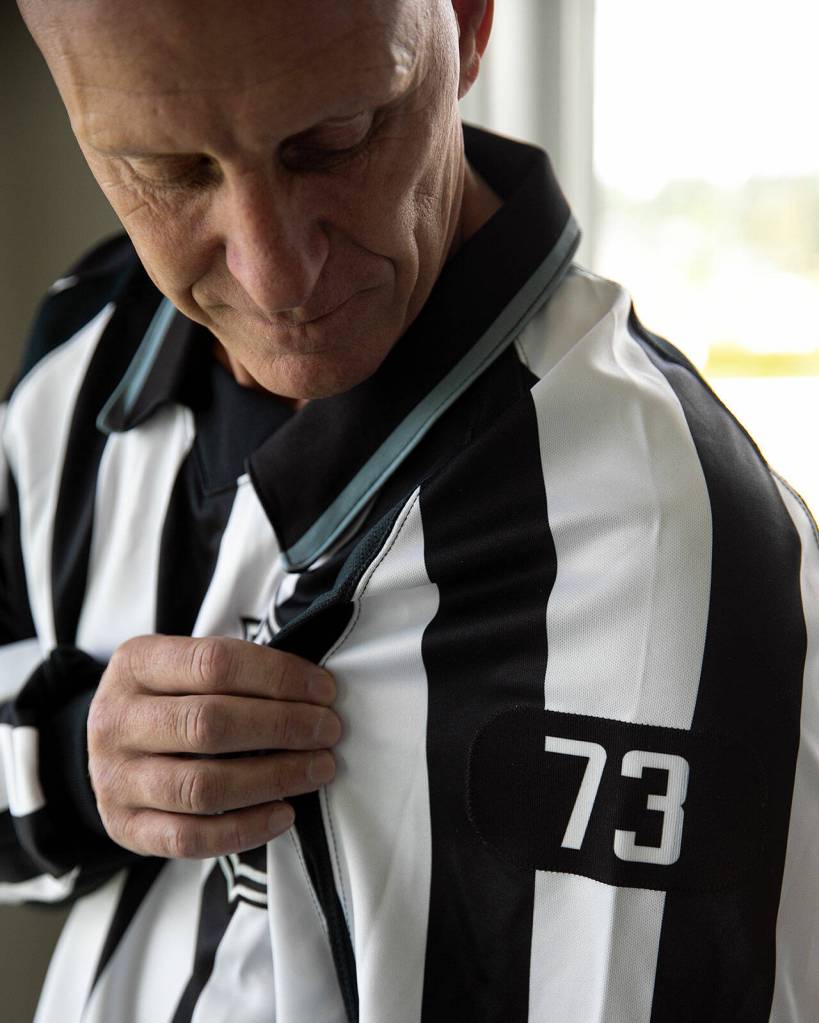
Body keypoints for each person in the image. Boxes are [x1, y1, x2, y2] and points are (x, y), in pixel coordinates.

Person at [1, 0, 816, 1019]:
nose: (276, 275)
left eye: (334, 142)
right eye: (166, 171)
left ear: (470, 26)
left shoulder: (679, 542)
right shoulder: (80, 349)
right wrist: (73, 763)